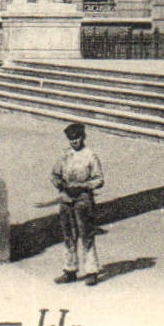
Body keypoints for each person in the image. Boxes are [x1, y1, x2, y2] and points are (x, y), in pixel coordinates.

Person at [51, 122, 105, 287]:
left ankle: (91, 271)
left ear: (83, 137)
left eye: (77, 138)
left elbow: (99, 179)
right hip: (67, 198)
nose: (74, 142)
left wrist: (85, 186)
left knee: (86, 235)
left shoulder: (90, 156)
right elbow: (55, 174)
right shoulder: (65, 155)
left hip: (83, 199)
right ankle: (70, 270)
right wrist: (59, 183)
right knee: (68, 235)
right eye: (71, 139)